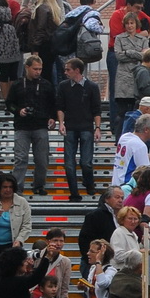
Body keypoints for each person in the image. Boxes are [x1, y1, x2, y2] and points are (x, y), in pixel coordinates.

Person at [6, 54, 58, 196]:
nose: (38, 72)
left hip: (40, 126)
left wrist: (52, 118)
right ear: (27, 68)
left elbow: (53, 104)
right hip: (22, 127)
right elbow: (9, 103)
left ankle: (39, 185)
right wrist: (18, 111)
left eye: (40, 69)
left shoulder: (46, 85)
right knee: (20, 159)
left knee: (42, 160)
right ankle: (18, 189)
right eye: (35, 69)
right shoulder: (17, 84)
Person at [53, 57, 103, 200]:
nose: (65, 72)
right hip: (70, 127)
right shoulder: (63, 86)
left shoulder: (91, 87)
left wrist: (97, 128)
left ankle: (89, 184)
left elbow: (96, 109)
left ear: (77, 70)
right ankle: (74, 193)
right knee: (69, 164)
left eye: (68, 69)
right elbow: (60, 106)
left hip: (86, 127)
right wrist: (61, 123)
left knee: (86, 162)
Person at [112, 10, 150, 137]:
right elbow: (119, 56)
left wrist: (129, 52)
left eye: (132, 23)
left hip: (137, 78)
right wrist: (137, 54)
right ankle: (120, 138)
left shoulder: (143, 39)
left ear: (136, 24)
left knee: (136, 113)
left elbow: (145, 56)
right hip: (123, 78)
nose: (129, 26)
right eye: (127, 23)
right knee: (122, 113)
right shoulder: (119, 38)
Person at [113, 112, 150, 188]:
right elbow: (147, 174)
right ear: (146, 130)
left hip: (116, 184)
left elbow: (141, 155)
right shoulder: (139, 145)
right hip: (127, 186)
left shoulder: (125, 137)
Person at [20, 0, 64, 77]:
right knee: (48, 72)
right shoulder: (53, 8)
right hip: (49, 46)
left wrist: (35, 48)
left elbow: (40, 29)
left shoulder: (41, 8)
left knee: (40, 74)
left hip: (42, 47)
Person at [79, 186, 124, 254]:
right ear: (107, 199)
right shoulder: (95, 215)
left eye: (122, 198)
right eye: (117, 197)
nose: (120, 200)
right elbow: (84, 240)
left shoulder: (123, 216)